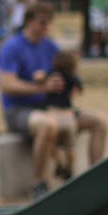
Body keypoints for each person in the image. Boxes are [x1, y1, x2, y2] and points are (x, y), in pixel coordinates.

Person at [0, 3, 108, 200]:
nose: (46, 27)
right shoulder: (12, 47)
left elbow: (67, 72)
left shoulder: (50, 46)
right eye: (42, 23)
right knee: (48, 124)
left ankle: (96, 178)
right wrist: (42, 87)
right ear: (29, 21)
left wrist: (69, 86)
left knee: (100, 121)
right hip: (19, 110)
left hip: (52, 107)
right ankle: (40, 184)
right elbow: (7, 85)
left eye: (49, 23)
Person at [41, 49, 85, 181]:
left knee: (51, 143)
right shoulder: (73, 77)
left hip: (53, 114)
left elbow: (41, 78)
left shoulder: (53, 74)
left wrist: (39, 78)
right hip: (68, 115)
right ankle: (70, 170)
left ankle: (60, 162)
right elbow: (80, 89)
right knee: (70, 147)